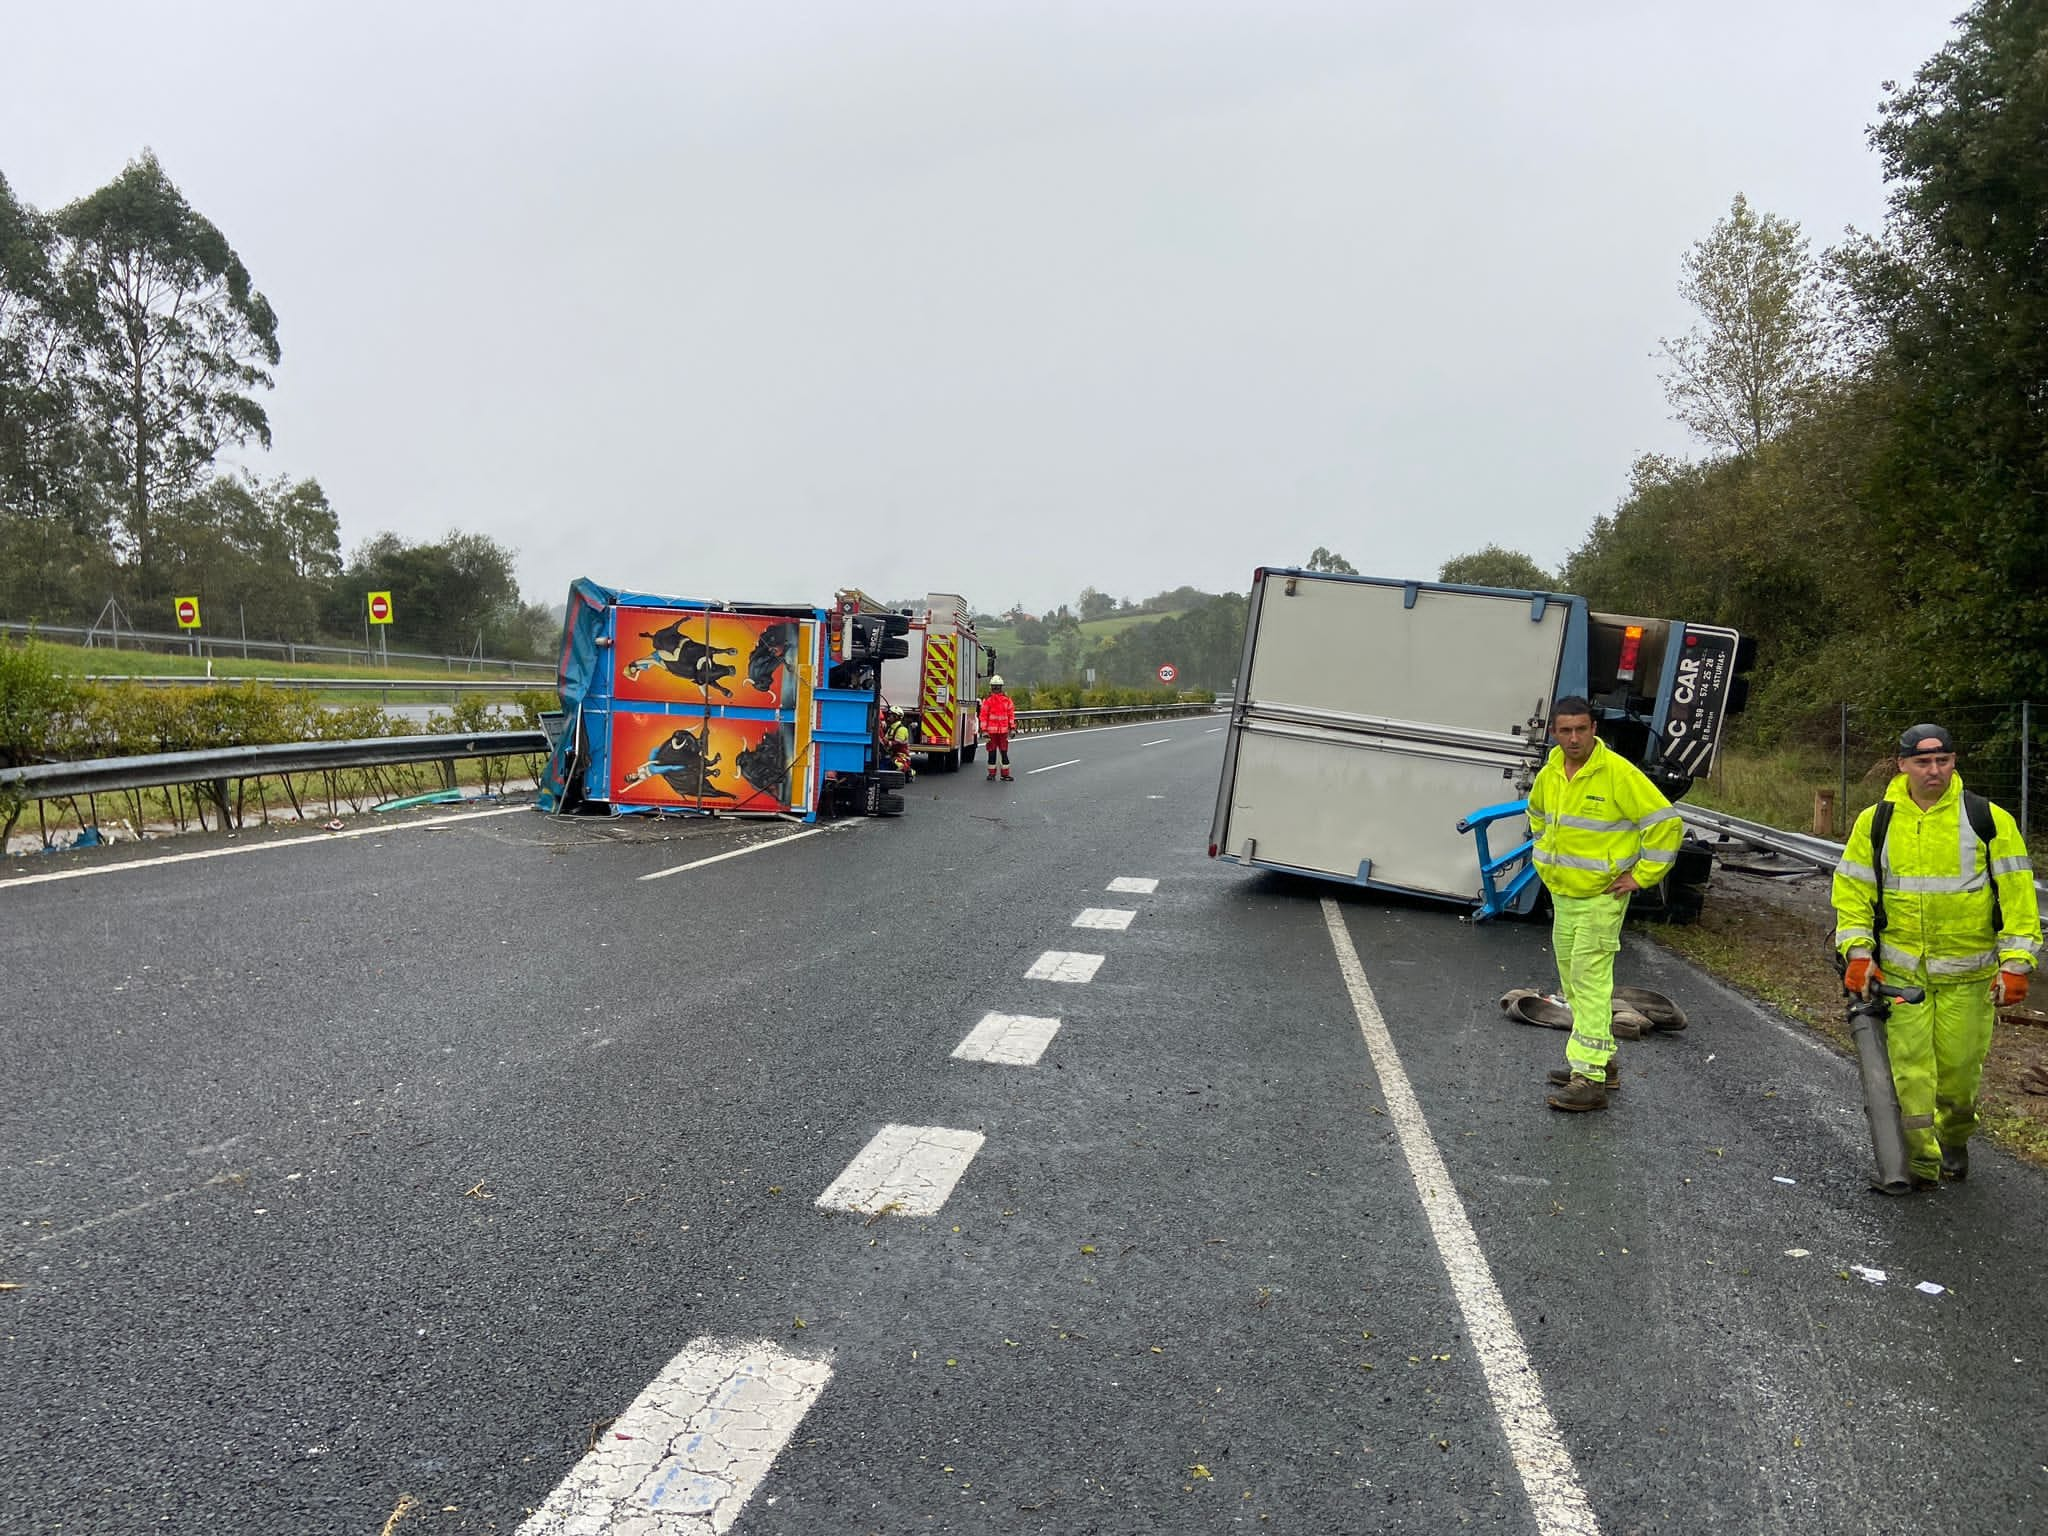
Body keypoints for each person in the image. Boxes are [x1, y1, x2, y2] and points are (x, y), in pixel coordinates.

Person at [1831, 723, 2040, 1185]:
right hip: (1904, 981)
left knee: (1959, 1080)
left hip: (1969, 982)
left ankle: (1956, 1139)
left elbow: (2019, 897)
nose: (1934, 771)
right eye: (1923, 762)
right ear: (1902, 764)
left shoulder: (1987, 820)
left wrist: (2016, 964)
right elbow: (1852, 893)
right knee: (1910, 1076)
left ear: (1953, 761)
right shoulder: (1877, 822)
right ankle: (1920, 1164)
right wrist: (1859, 952)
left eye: (1942, 761)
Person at [1527, 696, 1684, 1111]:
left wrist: (1642, 876)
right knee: (1574, 982)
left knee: (1591, 982)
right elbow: (1537, 813)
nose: (1574, 737)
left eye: (1581, 728)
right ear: (1554, 733)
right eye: (1566, 730)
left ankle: (1590, 1078)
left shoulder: (1618, 774)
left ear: (1594, 728)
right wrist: (1545, 852)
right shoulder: (1551, 772)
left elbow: (1666, 824)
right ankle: (1602, 1061)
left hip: (1601, 897)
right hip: (1564, 894)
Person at [980, 676, 1015, 782]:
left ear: (1000, 687)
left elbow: (1011, 715)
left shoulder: (1007, 700)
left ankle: (1005, 774)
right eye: (994, 687)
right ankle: (991, 774)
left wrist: (1012, 728)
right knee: (992, 753)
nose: (995, 689)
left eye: (997, 687)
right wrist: (984, 730)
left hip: (1003, 732)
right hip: (991, 733)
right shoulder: (988, 701)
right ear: (991, 687)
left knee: (1004, 753)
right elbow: (983, 716)